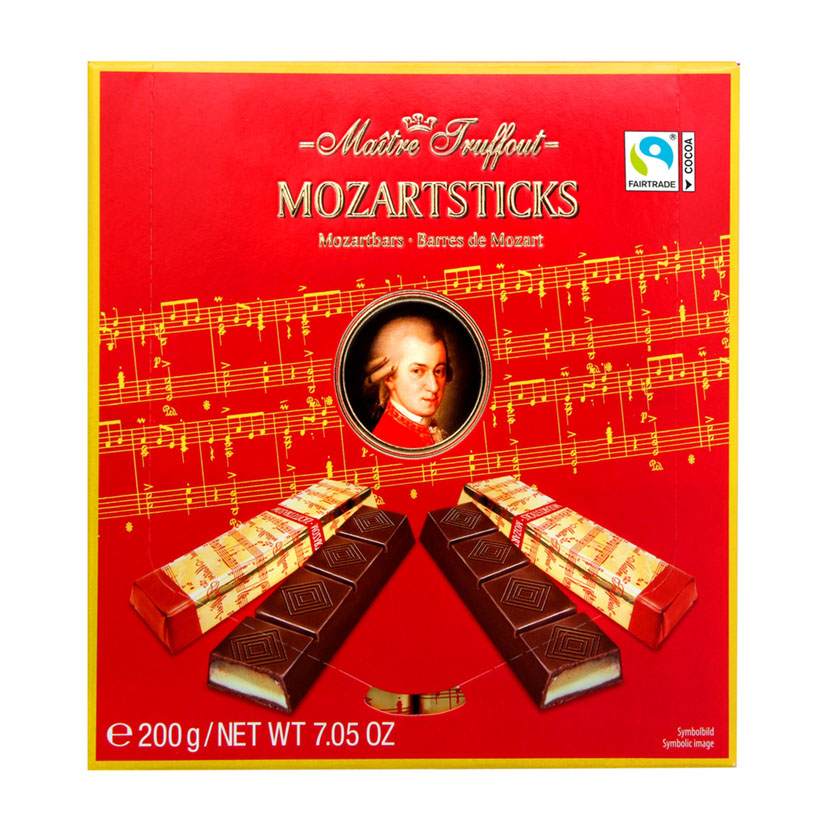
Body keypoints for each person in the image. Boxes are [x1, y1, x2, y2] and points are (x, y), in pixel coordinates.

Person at [364, 316, 452, 448]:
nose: (433, 387)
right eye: (417, 371)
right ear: (389, 377)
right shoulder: (389, 439)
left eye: (438, 371)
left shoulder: (428, 427)